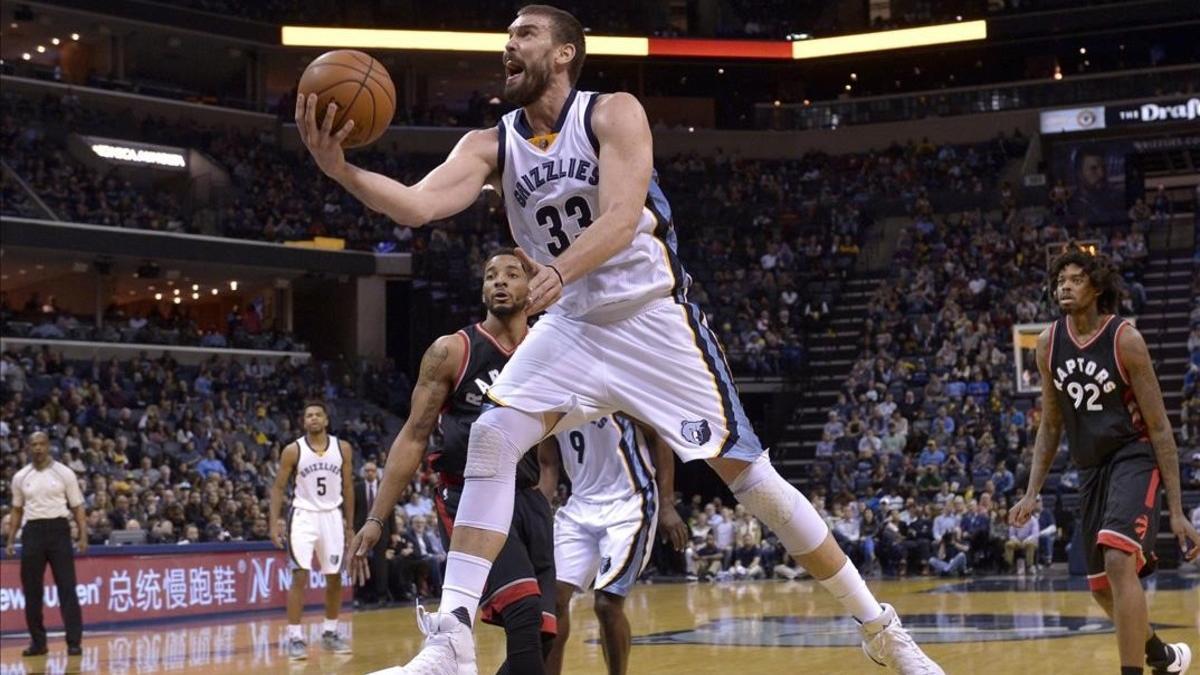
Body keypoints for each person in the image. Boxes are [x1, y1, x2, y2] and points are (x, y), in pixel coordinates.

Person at [300, 6, 940, 673]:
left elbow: (622, 216)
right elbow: (417, 204)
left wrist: (555, 271)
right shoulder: (490, 145)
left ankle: (880, 627)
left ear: (564, 54)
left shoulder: (612, 112)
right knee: (493, 434)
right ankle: (453, 634)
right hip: (574, 325)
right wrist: (341, 169)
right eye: (507, 36)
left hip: (652, 318)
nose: (508, 46)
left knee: (751, 477)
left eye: (525, 35)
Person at [350, 251, 558, 675]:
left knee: (541, 636)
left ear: (531, 287)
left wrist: (545, 498)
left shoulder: (548, 351)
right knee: (523, 614)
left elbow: (552, 443)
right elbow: (413, 436)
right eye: (490, 276)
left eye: (512, 274)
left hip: (529, 501)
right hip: (471, 494)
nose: (500, 282)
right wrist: (376, 517)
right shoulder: (453, 350)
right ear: (482, 290)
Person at [1010, 247, 1199, 675]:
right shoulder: (1046, 344)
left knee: (1118, 560)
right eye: (1060, 280)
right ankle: (1161, 656)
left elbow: (1160, 427)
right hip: (1091, 467)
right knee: (1100, 590)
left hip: (1132, 455)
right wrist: (1032, 491)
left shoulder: (1125, 340)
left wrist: (1176, 511)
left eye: (1076, 279)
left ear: (1096, 287)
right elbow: (1051, 425)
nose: (1065, 286)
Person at [538, 415, 689, 675]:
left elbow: (658, 436)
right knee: (552, 601)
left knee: (607, 604)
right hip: (580, 505)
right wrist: (536, 514)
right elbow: (548, 462)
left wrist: (666, 504)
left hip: (630, 503)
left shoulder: (616, 385)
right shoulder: (553, 396)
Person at [268, 401, 355, 660]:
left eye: (318, 414)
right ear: (304, 421)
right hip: (303, 516)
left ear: (326, 420)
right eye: (309, 415)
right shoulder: (293, 450)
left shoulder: (343, 448)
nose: (313, 418)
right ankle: (295, 636)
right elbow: (278, 488)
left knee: (334, 577)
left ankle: (330, 632)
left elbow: (348, 487)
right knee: (299, 575)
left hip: (332, 516)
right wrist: (274, 522)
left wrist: (350, 526)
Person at [6, 432, 87, 657]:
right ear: (28, 447)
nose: (38, 448)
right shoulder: (21, 476)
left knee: (67, 588)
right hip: (32, 531)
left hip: (59, 529)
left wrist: (83, 535)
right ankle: (38, 642)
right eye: (34, 444)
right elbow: (16, 509)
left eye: (42, 444)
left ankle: (73, 642)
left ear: (48, 446)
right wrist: (11, 539)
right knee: (32, 591)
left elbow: (78, 506)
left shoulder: (64, 472)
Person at [354, 461, 393, 606]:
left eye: (372, 470)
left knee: (380, 563)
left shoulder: (384, 488)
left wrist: (394, 531)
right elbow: (353, 511)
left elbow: (391, 510)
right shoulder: (357, 488)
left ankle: (381, 595)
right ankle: (360, 596)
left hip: (381, 529)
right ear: (363, 472)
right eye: (367, 470)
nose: (370, 473)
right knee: (359, 562)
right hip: (361, 530)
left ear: (377, 472)